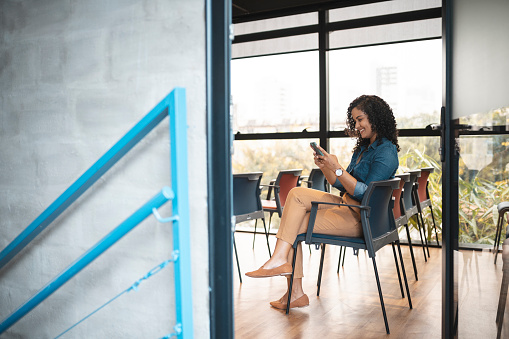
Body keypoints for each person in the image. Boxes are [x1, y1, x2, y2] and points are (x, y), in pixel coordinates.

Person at [245, 94, 400, 310]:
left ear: (375, 117)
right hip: (346, 205)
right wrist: (326, 167)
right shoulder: (364, 148)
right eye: (355, 120)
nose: (357, 125)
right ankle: (282, 264)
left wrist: (337, 168)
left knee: (295, 223)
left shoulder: (386, 152)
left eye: (361, 119)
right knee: (296, 194)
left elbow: (367, 195)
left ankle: (294, 291)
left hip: (361, 217)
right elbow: (340, 184)